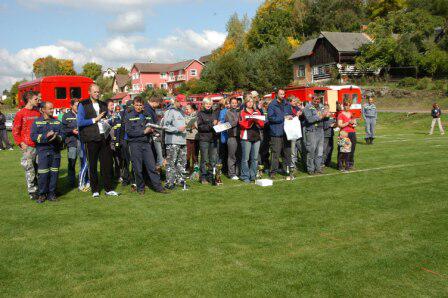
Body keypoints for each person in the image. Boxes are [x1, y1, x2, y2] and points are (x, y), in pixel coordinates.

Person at [77, 84, 118, 198]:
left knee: (107, 165)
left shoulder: (103, 104)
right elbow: (80, 122)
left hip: (104, 138)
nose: (97, 94)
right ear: (89, 92)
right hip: (90, 138)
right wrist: (95, 119)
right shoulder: (83, 104)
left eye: (98, 92)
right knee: (92, 165)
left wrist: (108, 120)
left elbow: (107, 120)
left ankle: (108, 189)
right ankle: (95, 190)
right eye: (94, 92)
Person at [124, 97, 166, 195]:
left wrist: (154, 131)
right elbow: (129, 132)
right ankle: (141, 188)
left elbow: (151, 126)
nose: (138, 107)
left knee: (152, 167)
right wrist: (143, 131)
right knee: (138, 168)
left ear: (143, 105)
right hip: (135, 144)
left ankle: (159, 188)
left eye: (140, 105)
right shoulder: (129, 116)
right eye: (137, 105)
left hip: (146, 144)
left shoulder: (147, 115)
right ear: (134, 105)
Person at [30, 102, 64, 203]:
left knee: (54, 173)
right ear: (43, 110)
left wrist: (57, 137)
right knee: (43, 174)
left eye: (52, 108)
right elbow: (33, 136)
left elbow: (63, 135)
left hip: (55, 151)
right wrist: (46, 136)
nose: (52, 110)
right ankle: (42, 195)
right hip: (43, 151)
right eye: (50, 109)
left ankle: (52, 194)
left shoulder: (57, 122)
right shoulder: (36, 122)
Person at [12, 91, 41, 200]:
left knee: (40, 168)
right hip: (27, 147)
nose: (38, 101)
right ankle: (32, 191)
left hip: (38, 145)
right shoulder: (21, 113)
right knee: (30, 169)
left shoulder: (38, 112)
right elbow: (15, 131)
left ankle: (40, 188)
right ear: (29, 100)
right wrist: (20, 143)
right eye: (36, 99)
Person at [163, 95, 188, 190]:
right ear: (176, 101)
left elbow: (182, 125)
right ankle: (169, 182)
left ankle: (180, 180)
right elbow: (165, 126)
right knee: (171, 162)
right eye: (181, 103)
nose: (182, 105)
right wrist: (177, 129)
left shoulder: (182, 112)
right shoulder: (169, 112)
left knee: (181, 162)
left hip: (182, 140)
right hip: (172, 141)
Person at [267, 89, 293, 178]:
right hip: (276, 132)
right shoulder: (272, 105)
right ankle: (273, 172)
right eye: (281, 94)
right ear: (276, 95)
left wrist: (291, 116)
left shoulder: (287, 104)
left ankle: (287, 171)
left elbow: (290, 114)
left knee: (287, 153)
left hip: (286, 132)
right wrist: (283, 118)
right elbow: (270, 118)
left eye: (283, 94)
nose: (282, 96)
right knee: (275, 153)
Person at [239, 95, 265, 183]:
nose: (250, 103)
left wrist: (256, 119)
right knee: (245, 158)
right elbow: (243, 124)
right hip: (246, 137)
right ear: (245, 103)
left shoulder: (257, 111)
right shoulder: (242, 112)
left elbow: (262, 124)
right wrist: (251, 120)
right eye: (248, 101)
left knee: (255, 158)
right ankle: (245, 176)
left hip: (256, 136)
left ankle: (253, 175)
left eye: (251, 101)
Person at [303, 96, 329, 175]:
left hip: (320, 130)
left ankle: (318, 168)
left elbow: (325, 114)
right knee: (311, 151)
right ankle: (311, 169)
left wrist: (327, 115)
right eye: (315, 101)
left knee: (319, 151)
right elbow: (309, 119)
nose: (317, 102)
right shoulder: (307, 108)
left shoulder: (321, 106)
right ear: (312, 100)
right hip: (311, 131)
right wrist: (321, 116)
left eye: (318, 101)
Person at [197, 97, 219, 184]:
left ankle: (211, 176)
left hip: (213, 139)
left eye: (210, 104)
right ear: (203, 104)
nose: (208, 105)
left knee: (212, 160)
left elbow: (215, 125)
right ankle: (203, 177)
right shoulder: (200, 114)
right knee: (204, 159)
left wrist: (219, 125)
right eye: (207, 104)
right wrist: (211, 125)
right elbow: (200, 127)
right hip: (204, 139)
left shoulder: (214, 113)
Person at [61, 99, 81, 188]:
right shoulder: (66, 116)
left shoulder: (82, 115)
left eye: (79, 105)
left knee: (83, 162)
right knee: (72, 162)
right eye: (76, 105)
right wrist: (72, 131)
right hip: (71, 142)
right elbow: (63, 129)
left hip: (82, 142)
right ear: (71, 106)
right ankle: (72, 182)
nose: (78, 107)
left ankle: (82, 181)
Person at [145, 97, 165, 170]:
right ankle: (154, 172)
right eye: (158, 104)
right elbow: (150, 123)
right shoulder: (147, 109)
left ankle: (155, 172)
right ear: (154, 102)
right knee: (153, 155)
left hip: (153, 133)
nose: (158, 106)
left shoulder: (151, 109)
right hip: (150, 134)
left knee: (155, 155)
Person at [337, 98, 357, 170]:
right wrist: (348, 122)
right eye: (346, 105)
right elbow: (339, 125)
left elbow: (355, 123)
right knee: (342, 150)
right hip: (344, 133)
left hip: (352, 133)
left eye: (349, 105)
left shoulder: (351, 114)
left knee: (352, 149)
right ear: (343, 105)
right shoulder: (341, 114)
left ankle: (350, 164)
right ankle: (340, 165)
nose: (347, 107)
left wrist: (354, 123)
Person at [226, 97, 240, 180]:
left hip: (240, 136)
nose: (234, 104)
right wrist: (240, 120)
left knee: (239, 155)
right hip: (232, 136)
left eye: (235, 103)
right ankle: (231, 173)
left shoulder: (240, 111)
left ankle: (237, 172)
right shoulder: (228, 112)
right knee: (232, 156)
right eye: (233, 103)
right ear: (230, 103)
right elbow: (230, 123)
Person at [185, 103, 199, 173]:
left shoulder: (197, 116)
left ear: (192, 109)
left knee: (195, 155)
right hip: (187, 137)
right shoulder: (186, 116)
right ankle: (187, 169)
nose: (186, 110)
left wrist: (193, 125)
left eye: (187, 109)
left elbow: (198, 126)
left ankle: (195, 171)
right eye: (185, 109)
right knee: (187, 155)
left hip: (195, 138)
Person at [218, 98, 230, 174]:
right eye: (227, 103)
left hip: (230, 136)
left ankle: (227, 169)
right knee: (223, 153)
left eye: (229, 103)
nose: (228, 105)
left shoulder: (233, 111)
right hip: (224, 136)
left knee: (229, 153)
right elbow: (221, 122)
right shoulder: (223, 112)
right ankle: (222, 169)